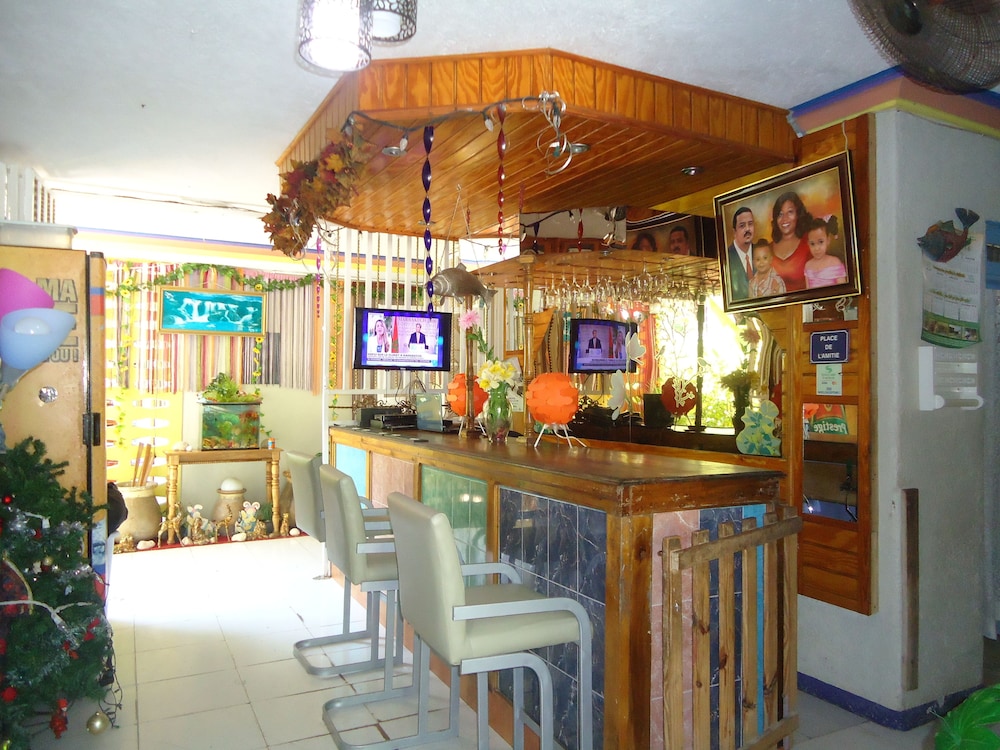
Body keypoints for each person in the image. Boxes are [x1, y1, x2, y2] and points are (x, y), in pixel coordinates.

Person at [769, 191, 814, 292]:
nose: (784, 219)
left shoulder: (809, 244)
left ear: (798, 214)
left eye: (790, 212)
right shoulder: (767, 249)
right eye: (780, 214)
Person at [803, 216, 848, 289]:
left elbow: (843, 290)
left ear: (828, 240)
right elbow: (808, 292)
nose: (817, 248)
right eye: (812, 244)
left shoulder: (835, 262)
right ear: (808, 244)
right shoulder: (808, 266)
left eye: (820, 242)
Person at [727, 206, 756, 300]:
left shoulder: (762, 252)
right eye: (742, 225)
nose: (747, 229)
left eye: (750, 224)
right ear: (734, 232)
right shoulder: (727, 258)